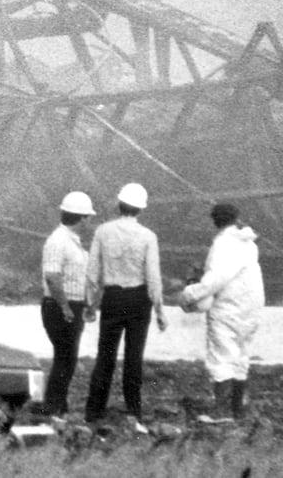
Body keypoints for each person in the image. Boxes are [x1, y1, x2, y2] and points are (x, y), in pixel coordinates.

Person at [85, 182, 167, 428]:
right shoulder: (148, 237)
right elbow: (153, 276)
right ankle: (133, 411)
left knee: (105, 357)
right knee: (134, 357)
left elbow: (92, 272)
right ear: (141, 209)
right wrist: (160, 310)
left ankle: (94, 411)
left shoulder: (102, 232)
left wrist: (90, 303)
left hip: (112, 297)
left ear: (119, 204)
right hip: (139, 300)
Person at [180, 202, 265, 421]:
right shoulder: (248, 243)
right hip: (252, 306)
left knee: (222, 357)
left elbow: (216, 279)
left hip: (229, 307)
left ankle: (222, 411)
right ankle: (238, 409)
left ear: (215, 221)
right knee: (241, 356)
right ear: (236, 218)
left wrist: (189, 293)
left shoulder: (223, 244)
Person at [40, 190, 98, 419]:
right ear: (81, 218)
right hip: (60, 306)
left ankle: (58, 406)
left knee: (66, 358)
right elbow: (52, 277)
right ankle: (53, 408)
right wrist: (64, 307)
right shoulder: (58, 241)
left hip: (70, 305)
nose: (89, 222)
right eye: (88, 218)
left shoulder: (71, 242)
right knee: (65, 358)